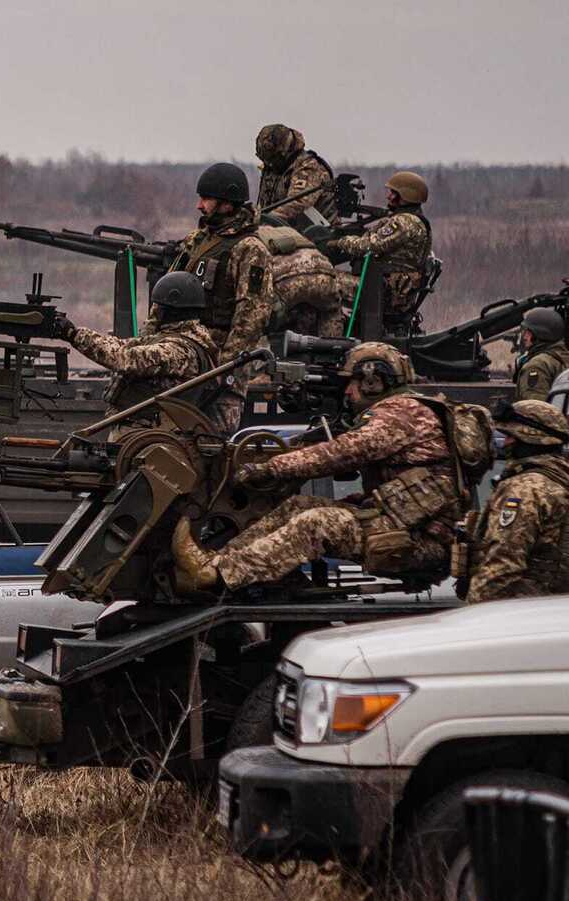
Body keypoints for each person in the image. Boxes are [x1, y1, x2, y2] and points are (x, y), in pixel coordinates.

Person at [172, 342, 465, 590]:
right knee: (296, 506)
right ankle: (215, 562)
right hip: (399, 525)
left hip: (420, 542)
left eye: (351, 383)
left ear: (373, 381)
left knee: (316, 523)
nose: (347, 393)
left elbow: (342, 453)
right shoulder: (403, 412)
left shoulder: (403, 413)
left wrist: (272, 468)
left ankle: (218, 575)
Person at [55, 271, 232, 437]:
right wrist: (74, 332)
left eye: (158, 307)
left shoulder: (180, 350)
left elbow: (124, 358)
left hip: (148, 434)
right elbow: (122, 345)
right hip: (142, 432)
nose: (154, 311)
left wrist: (73, 335)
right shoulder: (173, 338)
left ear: (170, 310)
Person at [169, 163, 275, 432]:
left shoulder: (250, 249)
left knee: (212, 441)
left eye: (206, 199)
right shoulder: (198, 241)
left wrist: (224, 368)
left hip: (220, 369)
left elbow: (251, 316)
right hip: (187, 356)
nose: (199, 206)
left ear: (227, 204)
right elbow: (169, 293)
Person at [464, 400, 569, 603]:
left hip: (516, 607)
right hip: (552, 605)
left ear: (530, 438)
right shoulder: (567, 480)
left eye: (510, 436)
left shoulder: (526, 488)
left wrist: (475, 612)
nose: (505, 443)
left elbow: (503, 564)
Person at [326, 171, 433, 318]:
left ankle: (331, 329)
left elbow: (370, 246)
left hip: (381, 291)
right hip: (386, 289)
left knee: (323, 280)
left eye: (393, 193)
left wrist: (340, 243)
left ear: (405, 197)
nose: (388, 196)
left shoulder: (404, 222)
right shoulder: (415, 221)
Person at [254, 124, 338, 227]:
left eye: (272, 159)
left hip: (318, 231)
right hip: (279, 229)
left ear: (284, 151)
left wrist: (265, 221)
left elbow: (298, 204)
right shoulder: (273, 167)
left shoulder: (308, 167)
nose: (269, 163)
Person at [512, 308, 569, 401]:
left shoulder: (538, 365)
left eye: (528, 332)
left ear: (540, 334)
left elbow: (535, 406)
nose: (524, 337)